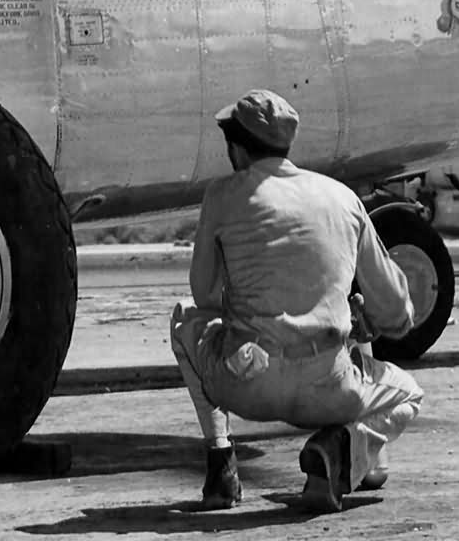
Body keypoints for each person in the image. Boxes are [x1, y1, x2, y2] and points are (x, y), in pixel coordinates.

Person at [170, 89, 424, 513]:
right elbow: (397, 313)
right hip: (328, 385)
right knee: (408, 395)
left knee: (183, 321)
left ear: (236, 148)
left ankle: (221, 462)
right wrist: (367, 322)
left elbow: (204, 297)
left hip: (246, 382)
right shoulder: (343, 199)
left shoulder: (222, 195)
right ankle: (336, 449)